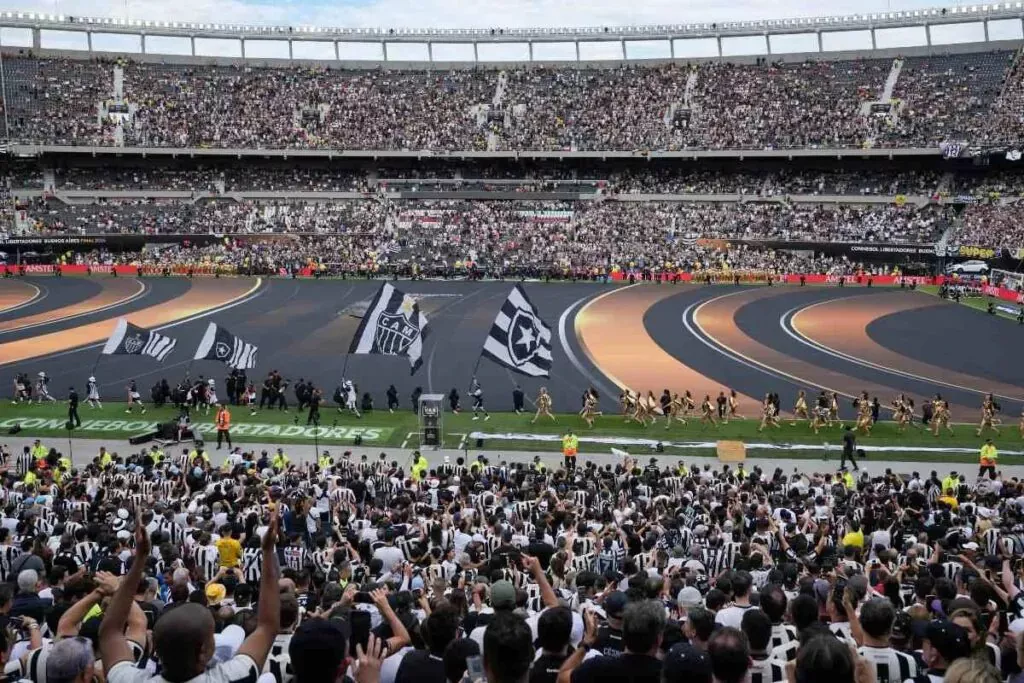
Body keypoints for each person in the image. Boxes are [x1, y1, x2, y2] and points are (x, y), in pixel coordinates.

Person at [100, 510, 281, 683]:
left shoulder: (126, 679)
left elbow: (110, 632)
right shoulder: (232, 677)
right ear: (203, 651)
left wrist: (140, 558)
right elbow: (267, 627)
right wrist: (267, 551)